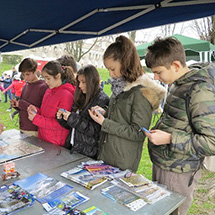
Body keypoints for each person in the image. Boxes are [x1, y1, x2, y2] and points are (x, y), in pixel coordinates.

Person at [144, 37, 215, 215]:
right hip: (165, 164)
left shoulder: (200, 90)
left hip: (178, 173)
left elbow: (211, 142)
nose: (155, 77)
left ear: (175, 65)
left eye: (158, 72)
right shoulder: (179, 83)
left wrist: (168, 138)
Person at [89, 35, 166, 172]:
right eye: (108, 69)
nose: (110, 74)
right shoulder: (120, 87)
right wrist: (105, 112)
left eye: (112, 69)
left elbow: (138, 132)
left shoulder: (141, 92)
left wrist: (104, 123)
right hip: (107, 155)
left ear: (125, 63)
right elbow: (122, 115)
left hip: (122, 163)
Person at [57, 64, 109, 158]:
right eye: (79, 82)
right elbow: (73, 127)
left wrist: (72, 118)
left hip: (88, 153)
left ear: (92, 81)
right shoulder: (81, 96)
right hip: (72, 147)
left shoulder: (102, 99)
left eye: (84, 82)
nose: (80, 85)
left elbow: (95, 131)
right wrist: (63, 118)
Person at [27, 61, 76, 146]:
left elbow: (60, 124)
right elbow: (45, 114)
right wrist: (36, 111)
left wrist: (36, 118)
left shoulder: (66, 95)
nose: (46, 81)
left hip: (56, 143)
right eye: (44, 78)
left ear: (58, 76)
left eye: (48, 78)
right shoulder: (48, 91)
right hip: (43, 138)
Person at [10, 58, 48, 136]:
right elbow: (23, 108)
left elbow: (42, 112)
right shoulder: (25, 85)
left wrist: (21, 103)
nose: (25, 77)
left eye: (27, 74)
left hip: (34, 129)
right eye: (23, 74)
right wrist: (16, 106)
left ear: (35, 71)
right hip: (23, 127)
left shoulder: (43, 87)